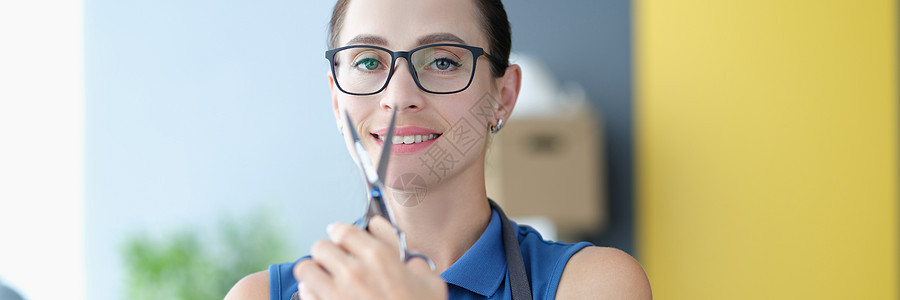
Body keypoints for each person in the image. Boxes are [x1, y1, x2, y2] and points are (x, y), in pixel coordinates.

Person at [226, 0, 652, 299]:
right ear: (338, 101)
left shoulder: (592, 285)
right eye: (369, 62)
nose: (398, 95)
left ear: (503, 96)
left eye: (443, 61)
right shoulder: (261, 297)